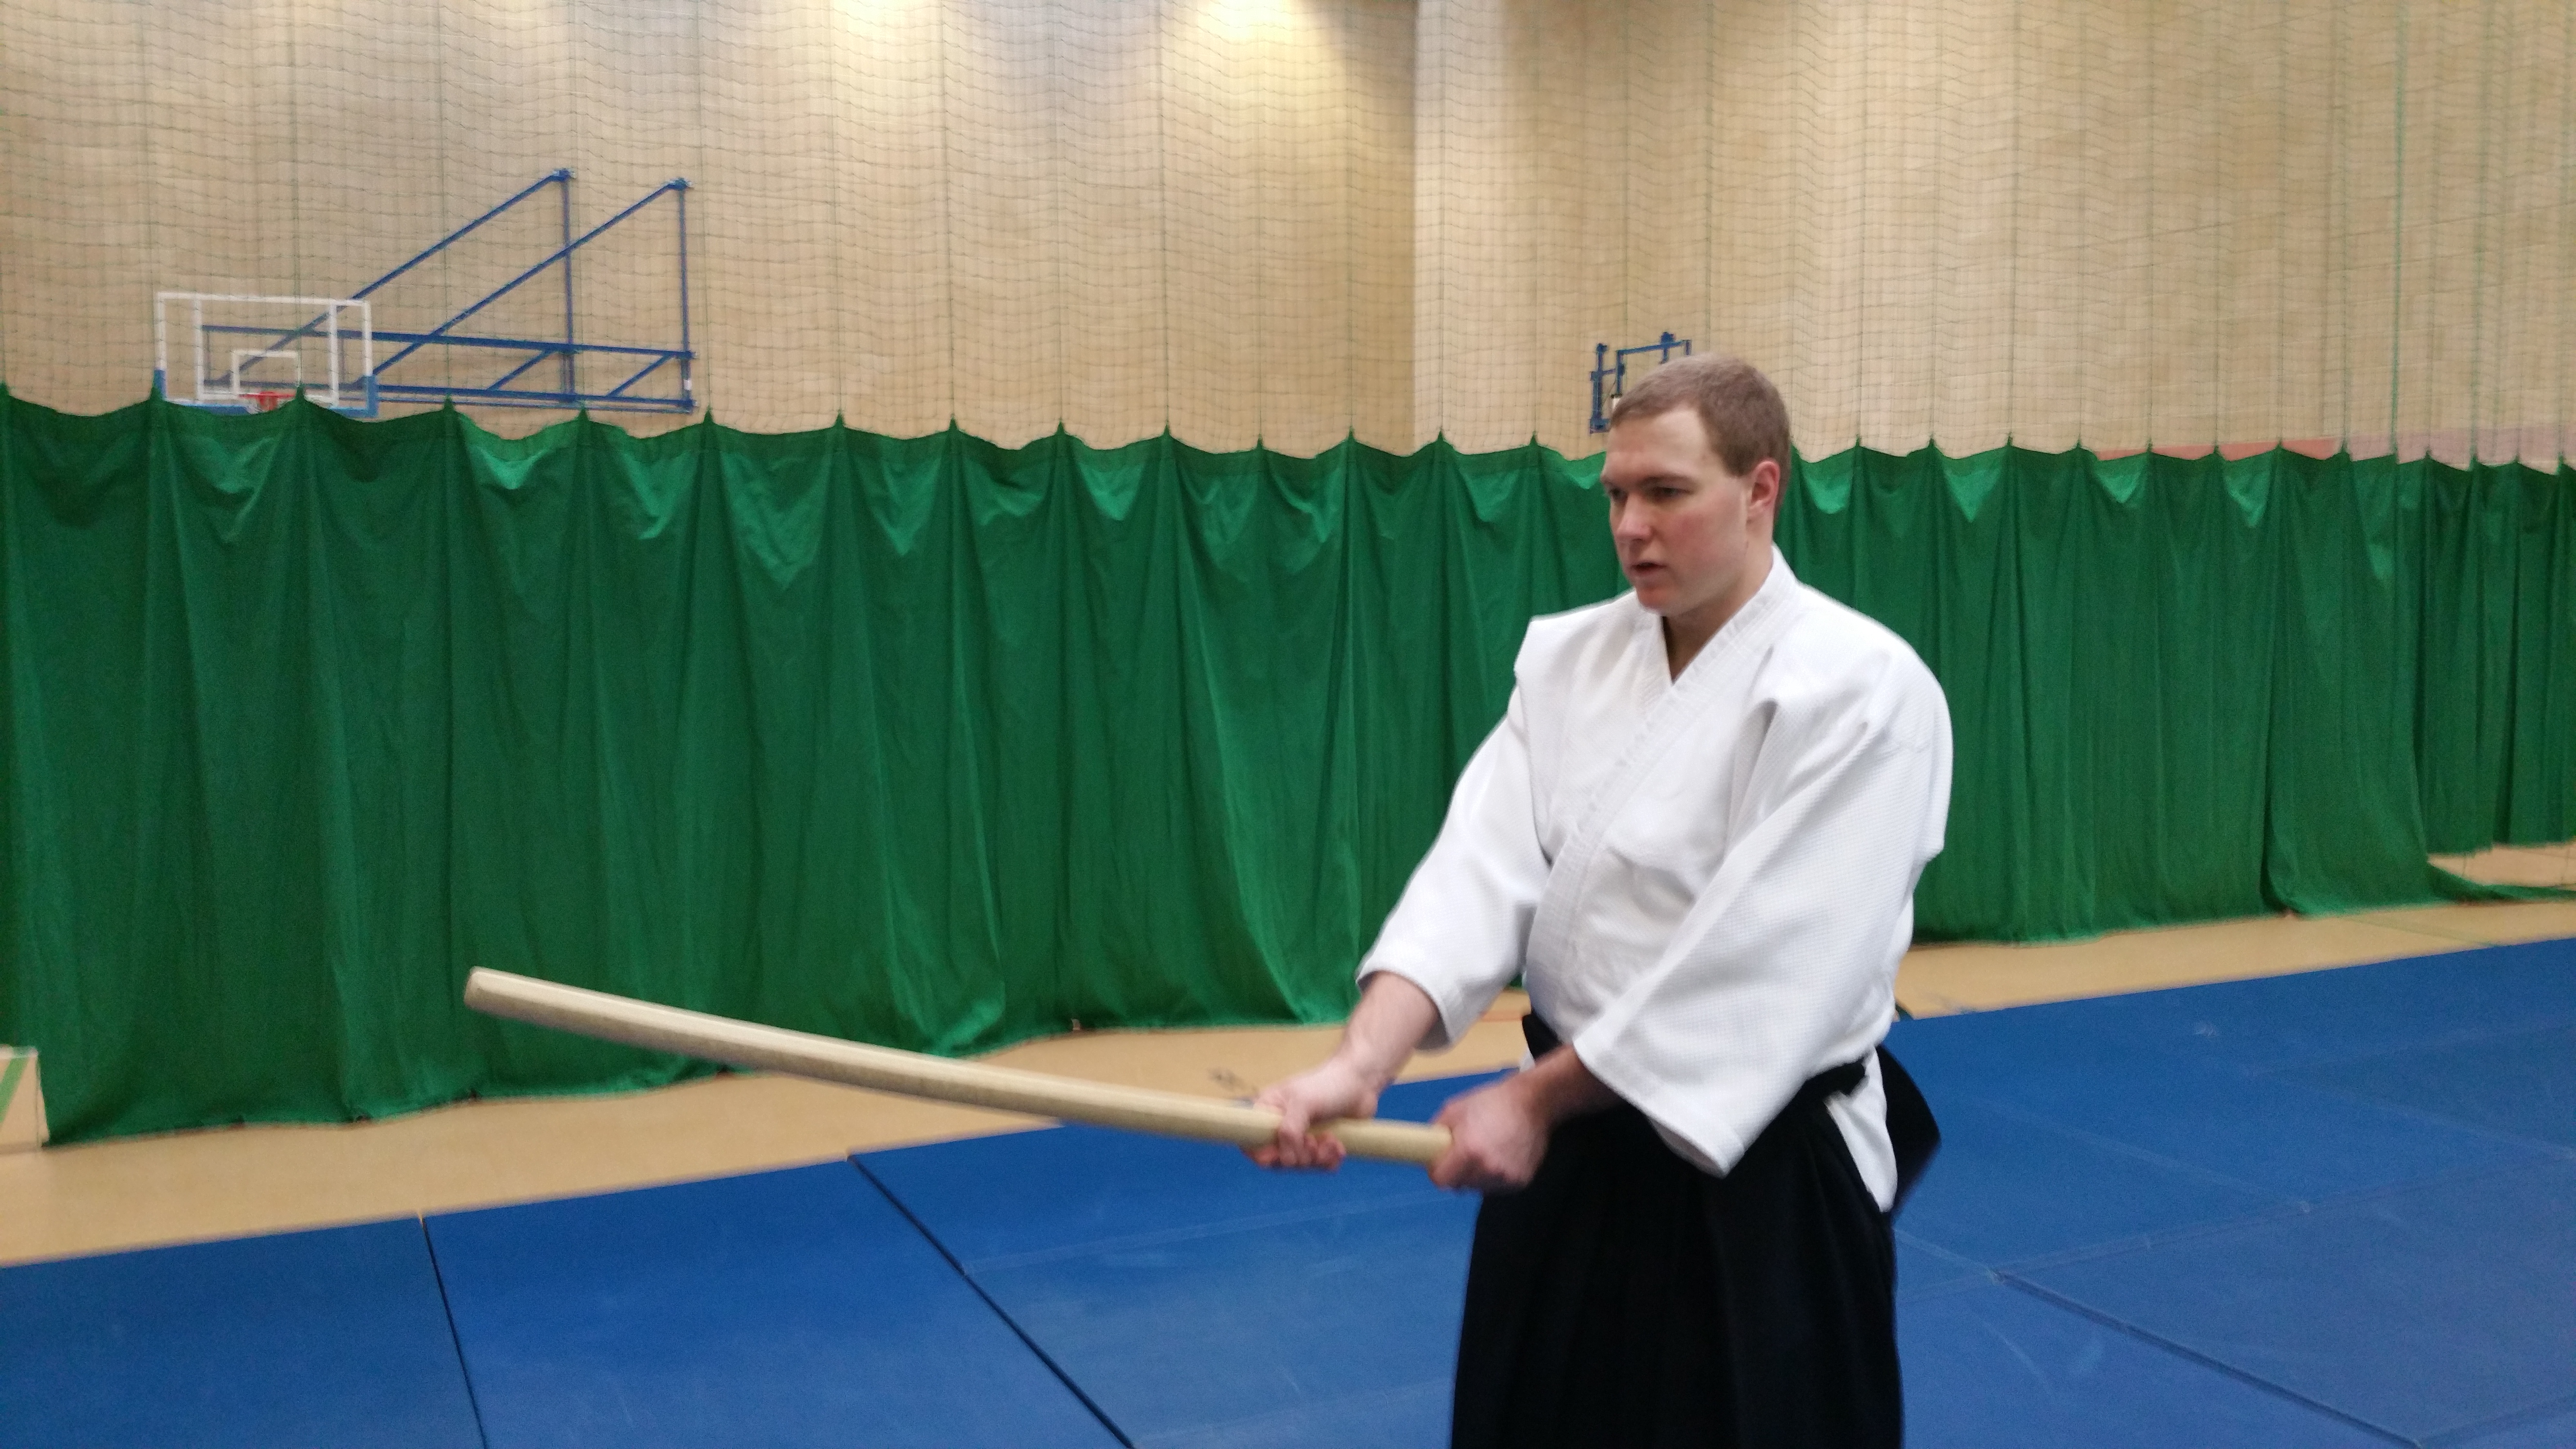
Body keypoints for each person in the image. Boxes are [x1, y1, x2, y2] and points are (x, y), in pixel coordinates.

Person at [1248, 354, 1952, 1449]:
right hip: (1571, 1151)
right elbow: (1478, 872)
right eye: (1616, 494)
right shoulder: (1569, 660)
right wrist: (1362, 1061)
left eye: (1666, 493)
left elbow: (1761, 965)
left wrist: (1530, 1105)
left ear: (1761, 490)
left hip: (1758, 1170)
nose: (1631, 525)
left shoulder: (1862, 690)